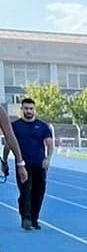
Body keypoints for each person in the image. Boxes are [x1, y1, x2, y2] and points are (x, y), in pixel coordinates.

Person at [2, 97, 52, 230]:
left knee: (38, 193)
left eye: (31, 108)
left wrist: (48, 158)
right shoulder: (15, 126)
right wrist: (4, 161)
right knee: (25, 192)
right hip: (23, 166)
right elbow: (8, 145)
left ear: (34, 110)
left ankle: (34, 219)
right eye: (26, 108)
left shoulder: (43, 126)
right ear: (22, 109)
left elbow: (49, 144)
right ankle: (26, 218)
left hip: (39, 165)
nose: (28, 111)